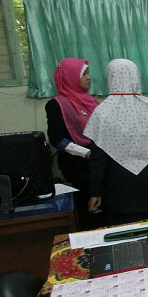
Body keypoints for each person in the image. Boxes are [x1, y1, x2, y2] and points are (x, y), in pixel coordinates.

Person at [83, 59, 148, 226]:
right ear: (136, 77)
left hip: (121, 189)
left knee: (127, 238)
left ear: (110, 78)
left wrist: (95, 192)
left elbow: (98, 160)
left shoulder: (102, 113)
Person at [45, 58, 99, 227]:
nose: (88, 77)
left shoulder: (90, 99)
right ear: (70, 77)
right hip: (77, 166)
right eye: (83, 74)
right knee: (87, 211)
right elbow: (57, 139)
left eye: (88, 73)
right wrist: (86, 152)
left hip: (97, 160)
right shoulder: (56, 104)